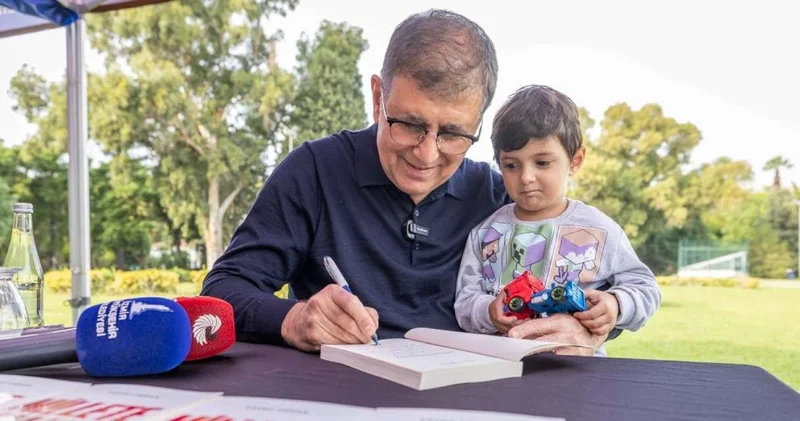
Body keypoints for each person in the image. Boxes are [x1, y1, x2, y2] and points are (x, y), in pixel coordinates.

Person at [202, 9, 608, 355]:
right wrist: (293, 318)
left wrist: (583, 326)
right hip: (339, 394)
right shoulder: (314, 171)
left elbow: (601, 288)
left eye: (454, 133)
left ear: (478, 123)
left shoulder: (500, 197)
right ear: (378, 97)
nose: (426, 155)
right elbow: (223, 290)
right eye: (410, 124)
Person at [454, 85, 661, 355]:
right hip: (501, 366)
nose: (526, 177)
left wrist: (616, 304)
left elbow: (645, 287)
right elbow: (465, 300)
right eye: (511, 165)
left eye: (542, 163)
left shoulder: (599, 229)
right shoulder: (485, 233)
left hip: (577, 367)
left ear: (575, 161)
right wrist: (488, 311)